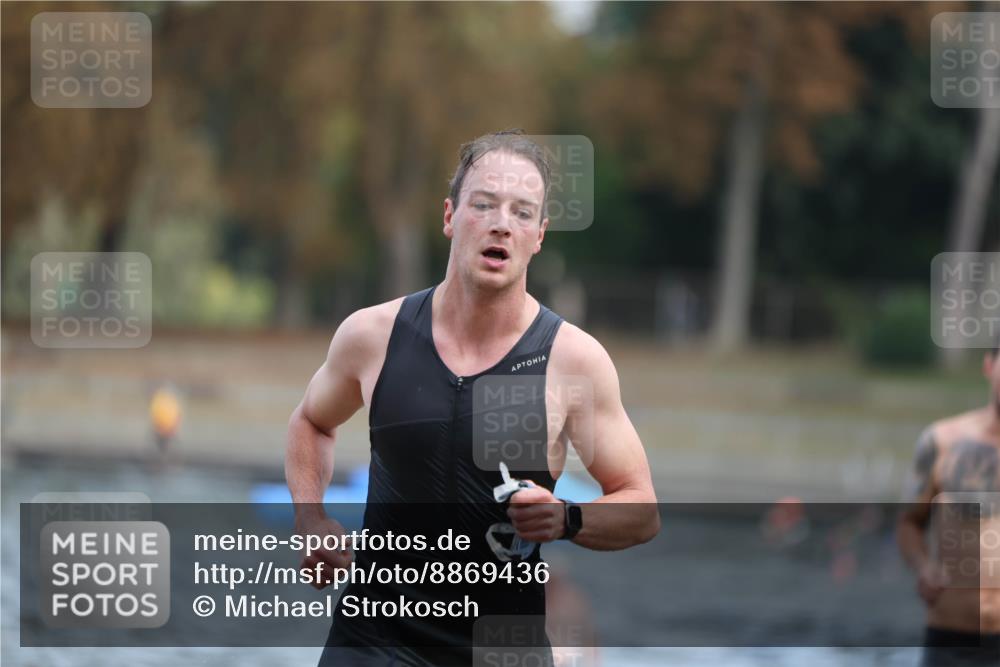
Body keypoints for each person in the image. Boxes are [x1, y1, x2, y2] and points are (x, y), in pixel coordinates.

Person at [285, 130, 660, 666]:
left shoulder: (574, 361)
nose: (502, 222)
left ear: (539, 236)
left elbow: (642, 509)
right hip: (371, 643)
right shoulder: (372, 335)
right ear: (449, 217)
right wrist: (310, 517)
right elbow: (311, 422)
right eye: (483, 204)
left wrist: (567, 519)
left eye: (522, 212)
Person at [897, 339, 1000, 666]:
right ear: (989, 365)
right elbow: (909, 523)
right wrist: (923, 566)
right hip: (951, 640)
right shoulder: (941, 441)